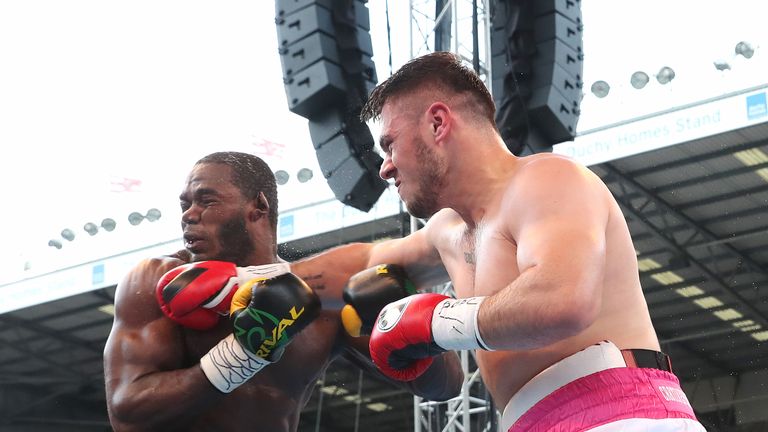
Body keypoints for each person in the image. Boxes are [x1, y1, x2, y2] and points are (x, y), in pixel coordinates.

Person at [350, 51, 707, 431]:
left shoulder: (546, 179)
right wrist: (281, 273)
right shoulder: (447, 232)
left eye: (390, 144)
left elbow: (564, 299)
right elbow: (367, 259)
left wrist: (436, 323)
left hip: (619, 413)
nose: (385, 166)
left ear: (438, 123)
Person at [103, 151, 463, 432]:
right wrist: (243, 354)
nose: (189, 215)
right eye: (185, 204)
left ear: (258, 207)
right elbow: (128, 414)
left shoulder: (321, 299)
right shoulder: (155, 280)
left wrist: (401, 329)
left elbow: (445, 387)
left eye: (205, 201)